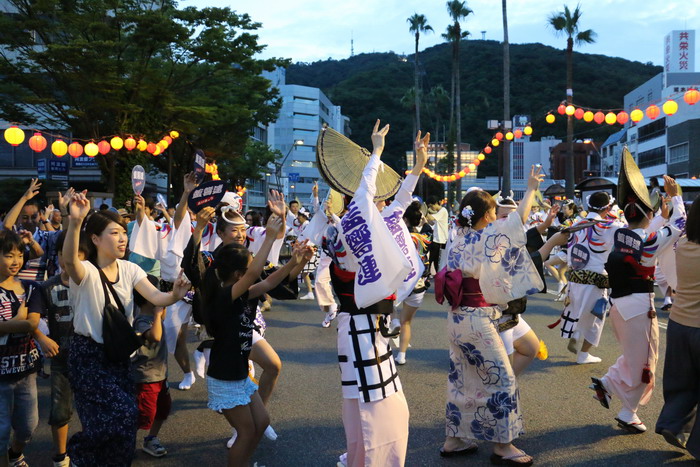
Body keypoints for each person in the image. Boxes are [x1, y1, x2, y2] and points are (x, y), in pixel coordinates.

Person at [62, 194, 190, 466]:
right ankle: (79, 457)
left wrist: (176, 294)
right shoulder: (85, 271)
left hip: (119, 355)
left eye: (124, 233)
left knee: (126, 420)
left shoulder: (130, 268)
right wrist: (75, 222)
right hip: (87, 356)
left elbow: (157, 298)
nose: (122, 238)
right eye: (114, 233)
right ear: (95, 239)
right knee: (115, 417)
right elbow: (70, 262)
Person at [439, 166, 545, 465]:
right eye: (492, 211)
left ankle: (454, 439)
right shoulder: (485, 237)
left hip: (457, 317)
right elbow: (517, 221)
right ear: (486, 215)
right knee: (502, 379)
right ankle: (503, 446)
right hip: (478, 317)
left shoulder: (457, 236)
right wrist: (531, 188)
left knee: (462, 378)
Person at [198, 214, 308, 466]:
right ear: (238, 274)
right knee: (246, 432)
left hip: (238, 374)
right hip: (225, 377)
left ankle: (244, 461)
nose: (253, 273)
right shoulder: (224, 297)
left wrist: (293, 261)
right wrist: (269, 237)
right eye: (248, 269)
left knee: (261, 423)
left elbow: (268, 281)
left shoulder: (242, 292)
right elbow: (257, 273)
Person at [590, 172, 685, 433]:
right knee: (645, 361)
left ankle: (608, 383)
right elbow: (680, 224)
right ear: (647, 215)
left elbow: (652, 229)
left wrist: (659, 215)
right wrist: (676, 198)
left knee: (634, 355)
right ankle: (627, 412)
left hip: (619, 306)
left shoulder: (621, 235)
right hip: (640, 306)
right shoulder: (650, 240)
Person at [34, 231, 89, 467]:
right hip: (61, 359)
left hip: (90, 359)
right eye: (63, 256)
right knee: (59, 411)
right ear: (56, 256)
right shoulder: (46, 287)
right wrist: (40, 337)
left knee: (92, 408)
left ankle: (89, 451)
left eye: (76, 256)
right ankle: (60, 457)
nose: (68, 262)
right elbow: (32, 318)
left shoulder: (92, 284)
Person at [655, 195, 700, 459]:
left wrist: (676, 198)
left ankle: (672, 423)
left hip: (679, 324)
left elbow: (680, 221)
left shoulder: (682, 245)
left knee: (683, 382)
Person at [560, 191, 624, 364]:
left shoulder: (576, 224)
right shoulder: (611, 226)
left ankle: (577, 333)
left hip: (574, 278)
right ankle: (583, 354)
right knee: (596, 316)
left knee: (578, 309)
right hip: (596, 278)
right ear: (608, 207)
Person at [0, 230, 42, 467]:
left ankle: (15, 453)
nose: (15, 261)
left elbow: (32, 323)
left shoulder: (30, 286)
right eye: (8, 255)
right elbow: (25, 322)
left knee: (28, 426)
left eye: (19, 255)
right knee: (0, 433)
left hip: (26, 370)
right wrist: (19, 321)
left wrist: (8, 325)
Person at [132, 275, 172, 458]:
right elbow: (155, 336)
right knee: (144, 414)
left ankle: (151, 439)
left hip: (160, 374)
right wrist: (157, 314)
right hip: (146, 377)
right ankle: (126, 440)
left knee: (163, 409)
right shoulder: (142, 320)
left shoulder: (156, 315)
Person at [394, 201, 430, 365]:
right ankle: (402, 355)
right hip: (418, 286)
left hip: (398, 284)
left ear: (405, 220)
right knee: (406, 322)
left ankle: (392, 322)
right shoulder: (425, 238)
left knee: (385, 312)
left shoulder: (399, 238)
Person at [425, 195, 448, 276]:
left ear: (434, 203)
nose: (431, 208)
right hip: (436, 239)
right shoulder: (439, 213)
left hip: (440, 240)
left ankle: (438, 276)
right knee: (432, 259)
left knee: (436, 261)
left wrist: (425, 212)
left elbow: (431, 219)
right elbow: (431, 222)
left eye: (431, 206)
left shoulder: (443, 210)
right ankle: (434, 275)